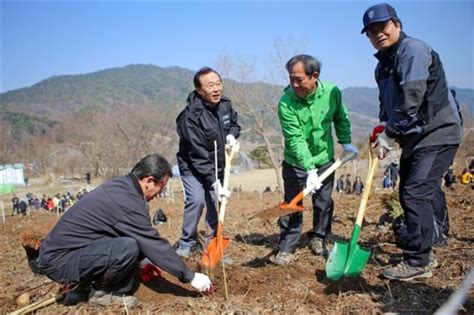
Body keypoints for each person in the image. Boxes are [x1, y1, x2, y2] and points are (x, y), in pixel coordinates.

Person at [362, 3, 462, 280]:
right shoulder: (383, 67)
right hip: (414, 138)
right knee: (415, 189)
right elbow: (389, 106)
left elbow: (411, 99)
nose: (378, 34)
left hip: (436, 132)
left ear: (397, 24)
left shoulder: (413, 51)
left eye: (382, 27)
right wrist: (382, 128)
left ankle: (419, 262)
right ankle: (432, 240)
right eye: (371, 32)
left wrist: (390, 134)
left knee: (415, 192)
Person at [37, 154, 212, 307]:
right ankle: (102, 293)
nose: (160, 193)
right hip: (60, 261)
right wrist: (190, 277)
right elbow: (152, 243)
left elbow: (125, 231)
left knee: (130, 246)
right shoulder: (128, 201)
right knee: (127, 247)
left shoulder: (123, 187)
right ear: (149, 181)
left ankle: (84, 288)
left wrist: (143, 262)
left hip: (69, 254)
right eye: (161, 187)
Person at [272, 54, 358, 265]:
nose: (294, 84)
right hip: (295, 162)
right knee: (292, 204)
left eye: (299, 79)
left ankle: (319, 237)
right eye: (291, 78)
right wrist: (309, 169)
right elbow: (295, 139)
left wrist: (346, 141)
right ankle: (287, 246)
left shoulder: (332, 92)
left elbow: (340, 117)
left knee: (323, 202)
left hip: (324, 160)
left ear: (314, 76)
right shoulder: (286, 102)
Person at [175, 67, 241, 258]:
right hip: (193, 166)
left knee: (215, 201)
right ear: (199, 90)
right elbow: (198, 154)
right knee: (196, 201)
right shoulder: (189, 117)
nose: (216, 89)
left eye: (218, 83)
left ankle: (212, 246)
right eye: (210, 85)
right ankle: (187, 242)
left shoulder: (225, 105)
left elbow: (235, 123)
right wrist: (213, 181)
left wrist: (231, 135)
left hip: (218, 164)